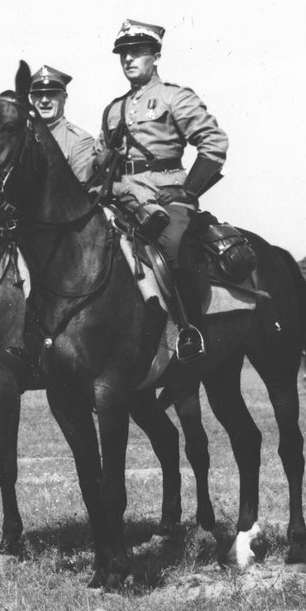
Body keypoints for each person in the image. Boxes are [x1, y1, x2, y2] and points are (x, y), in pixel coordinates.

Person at [90, 19, 229, 361]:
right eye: (123, 53)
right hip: (121, 197)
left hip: (168, 195)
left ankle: (189, 330)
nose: (129, 59)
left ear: (155, 55)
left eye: (137, 52)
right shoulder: (113, 109)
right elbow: (100, 157)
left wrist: (188, 192)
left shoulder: (174, 98)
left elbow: (214, 143)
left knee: (171, 245)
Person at [29, 66, 95, 182]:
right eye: (39, 94)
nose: (44, 100)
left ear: (64, 98)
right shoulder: (21, 136)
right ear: (31, 99)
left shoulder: (79, 141)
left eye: (51, 94)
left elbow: (82, 193)